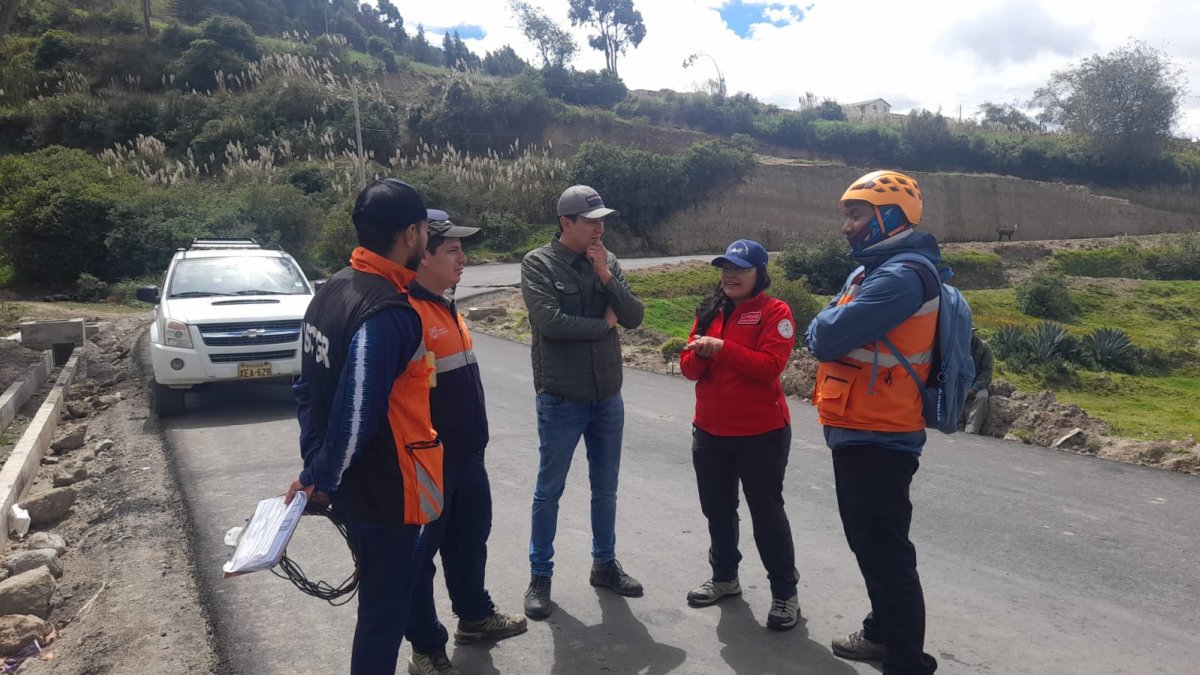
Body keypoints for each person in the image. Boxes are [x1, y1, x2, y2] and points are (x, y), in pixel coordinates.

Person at [285, 178, 446, 675]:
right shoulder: (387, 311)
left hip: (360, 486)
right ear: (411, 234)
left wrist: (316, 465)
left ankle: (430, 641)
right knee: (382, 612)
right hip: (387, 489)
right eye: (424, 231)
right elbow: (357, 415)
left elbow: (306, 389)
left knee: (397, 587)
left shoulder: (332, 289)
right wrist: (319, 479)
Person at [805, 170, 941, 674]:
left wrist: (823, 320)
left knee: (884, 551)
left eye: (856, 215)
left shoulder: (900, 276)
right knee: (875, 544)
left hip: (879, 433)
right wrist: (828, 319)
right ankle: (883, 632)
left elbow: (822, 335)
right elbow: (831, 326)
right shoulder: (873, 270)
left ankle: (907, 661)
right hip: (863, 425)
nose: (846, 226)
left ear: (888, 217)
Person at [404, 220, 527, 674]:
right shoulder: (406, 313)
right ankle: (426, 647)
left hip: (467, 455)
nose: (464, 259)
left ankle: (474, 616)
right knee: (419, 558)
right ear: (422, 255)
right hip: (426, 461)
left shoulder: (444, 305)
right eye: (453, 250)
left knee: (470, 539)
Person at [520, 184, 646, 620]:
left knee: (605, 488)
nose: (598, 228)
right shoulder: (538, 263)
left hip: (607, 395)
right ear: (565, 223)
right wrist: (603, 325)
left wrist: (607, 279)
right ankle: (540, 576)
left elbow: (634, 316)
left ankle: (604, 564)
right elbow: (550, 323)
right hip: (562, 397)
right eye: (590, 221)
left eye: (601, 220)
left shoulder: (607, 261)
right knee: (548, 491)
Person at [679, 239, 800, 631]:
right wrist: (702, 352)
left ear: (758, 274)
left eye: (740, 268)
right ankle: (724, 578)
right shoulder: (709, 309)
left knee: (766, 514)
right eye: (726, 267)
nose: (730, 275)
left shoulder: (775, 311)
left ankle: (785, 594)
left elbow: (769, 366)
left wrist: (720, 348)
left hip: (760, 432)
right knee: (717, 508)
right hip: (710, 431)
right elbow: (688, 368)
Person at [964, 328, 993, 434]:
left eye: (972, 331)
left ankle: (972, 430)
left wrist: (975, 388)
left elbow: (987, 371)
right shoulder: (956, 345)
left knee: (982, 397)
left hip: (978, 384)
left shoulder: (984, 347)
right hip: (960, 383)